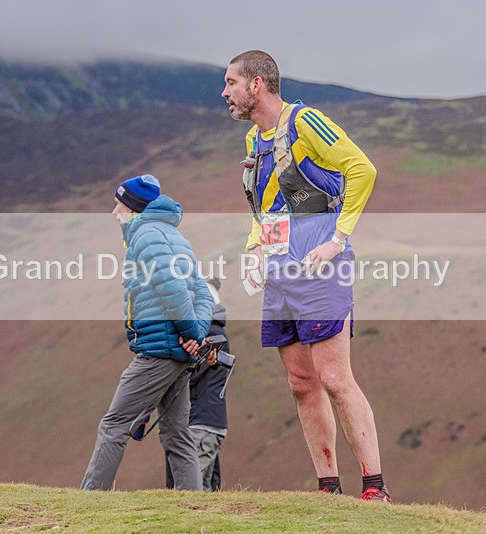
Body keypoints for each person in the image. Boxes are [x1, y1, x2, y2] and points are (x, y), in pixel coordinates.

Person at [221, 50, 390, 501]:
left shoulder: (305, 121)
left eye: (231, 83)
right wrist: (254, 249)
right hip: (279, 267)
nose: (225, 93)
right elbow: (266, 207)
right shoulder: (253, 141)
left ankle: (375, 487)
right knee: (300, 383)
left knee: (334, 377)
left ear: (256, 84)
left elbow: (363, 169)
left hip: (320, 263)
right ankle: (327, 488)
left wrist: (338, 238)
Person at [80, 174, 214, 491]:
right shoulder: (175, 237)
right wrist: (197, 335)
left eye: (120, 206)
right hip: (178, 353)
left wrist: (191, 332)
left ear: (135, 208)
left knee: (114, 424)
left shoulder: (147, 236)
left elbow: (173, 288)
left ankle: (90, 500)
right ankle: (191, 505)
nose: (115, 213)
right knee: (176, 433)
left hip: (158, 351)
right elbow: (204, 294)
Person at [165, 277, 231, 491]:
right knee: (204, 489)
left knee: (187, 489)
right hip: (207, 423)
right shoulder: (217, 334)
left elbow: (186, 376)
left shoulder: (208, 336)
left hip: (199, 424)